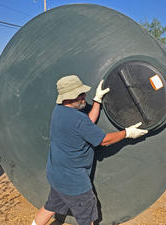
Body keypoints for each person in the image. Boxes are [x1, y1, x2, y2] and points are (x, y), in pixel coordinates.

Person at [32, 75, 148, 225]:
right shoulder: (77, 119)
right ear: (68, 98)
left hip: (57, 174)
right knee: (87, 219)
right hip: (74, 182)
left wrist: (97, 101)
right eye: (80, 95)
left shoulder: (59, 110)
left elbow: (87, 123)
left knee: (50, 207)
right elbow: (104, 140)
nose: (84, 96)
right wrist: (127, 133)